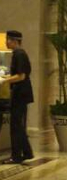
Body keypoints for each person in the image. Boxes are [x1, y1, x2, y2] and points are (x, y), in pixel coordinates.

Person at [0, 30, 34, 164]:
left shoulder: (19, 54)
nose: (6, 42)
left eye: (8, 40)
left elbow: (21, 76)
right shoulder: (19, 53)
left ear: (14, 41)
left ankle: (16, 156)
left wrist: (4, 81)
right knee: (18, 125)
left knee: (16, 126)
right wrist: (5, 77)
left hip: (20, 93)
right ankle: (27, 152)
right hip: (21, 93)